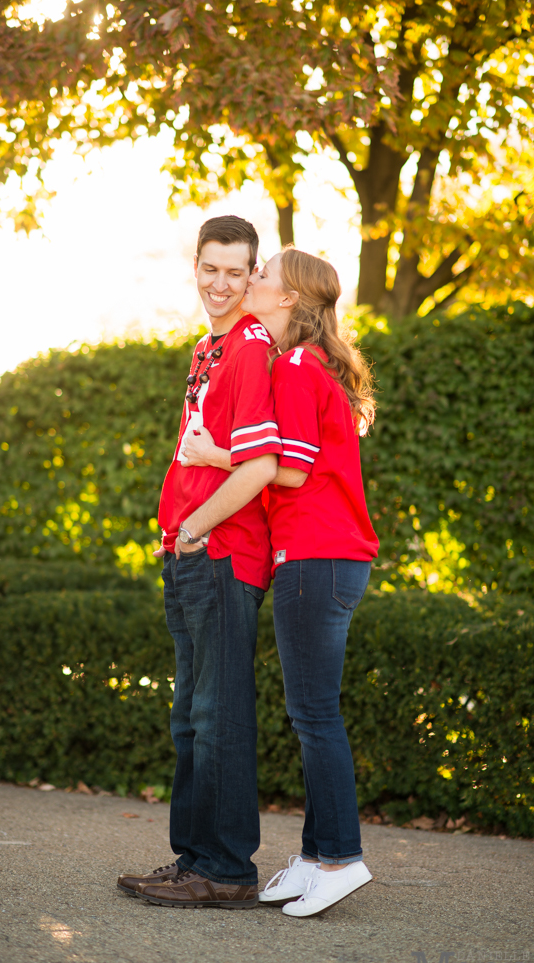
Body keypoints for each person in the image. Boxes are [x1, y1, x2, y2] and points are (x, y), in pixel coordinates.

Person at [181, 247, 380, 917]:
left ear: (288, 299)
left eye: (261, 276)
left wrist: (211, 452)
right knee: (310, 713)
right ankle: (314, 856)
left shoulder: (294, 365)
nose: (249, 283)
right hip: (327, 558)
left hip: (314, 556)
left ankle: (342, 857)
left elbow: (286, 472)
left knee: (315, 716)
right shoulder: (310, 363)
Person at [117, 216, 282, 909]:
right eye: (210, 269)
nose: (221, 283)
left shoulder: (247, 347)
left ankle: (225, 870)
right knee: (190, 717)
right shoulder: (206, 347)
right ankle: (192, 861)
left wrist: (193, 527)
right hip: (188, 552)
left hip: (220, 552)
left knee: (217, 717)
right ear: (195, 267)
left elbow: (260, 466)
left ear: (252, 275)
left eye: (235, 272)